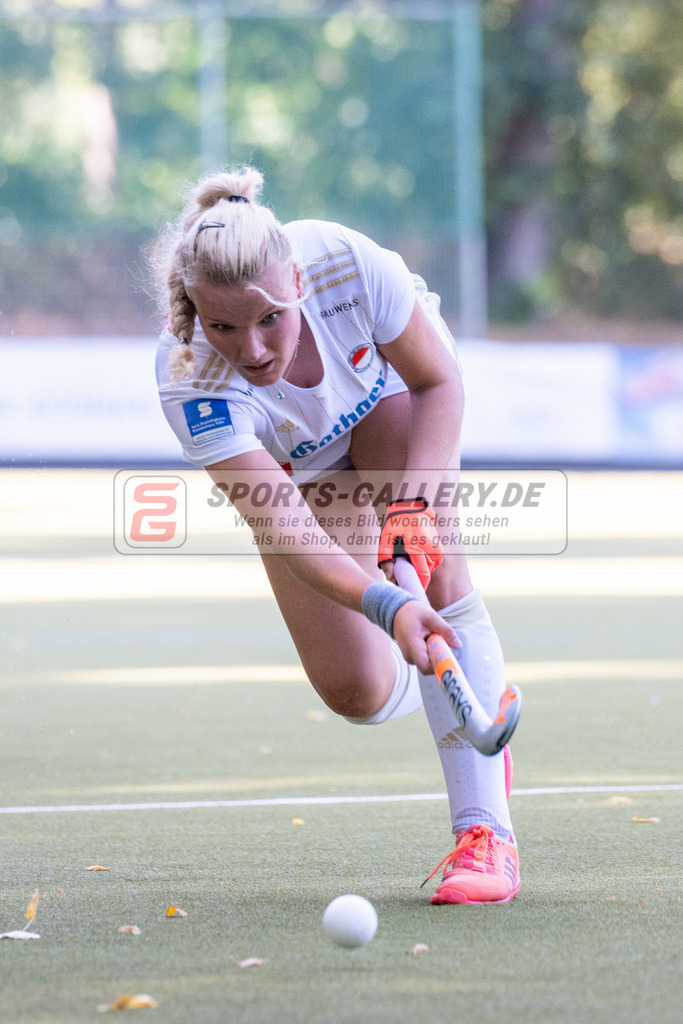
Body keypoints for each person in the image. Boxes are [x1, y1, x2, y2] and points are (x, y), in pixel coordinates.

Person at [150, 165, 519, 904]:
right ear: (193, 310)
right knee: (356, 690)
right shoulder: (189, 379)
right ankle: (468, 675)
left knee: (437, 571)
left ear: (295, 279)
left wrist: (411, 508)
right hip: (298, 477)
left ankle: (485, 839)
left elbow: (438, 384)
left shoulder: (349, 265)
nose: (252, 350)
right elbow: (284, 524)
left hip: (390, 399)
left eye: (269, 318)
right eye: (223, 326)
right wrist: (386, 604)